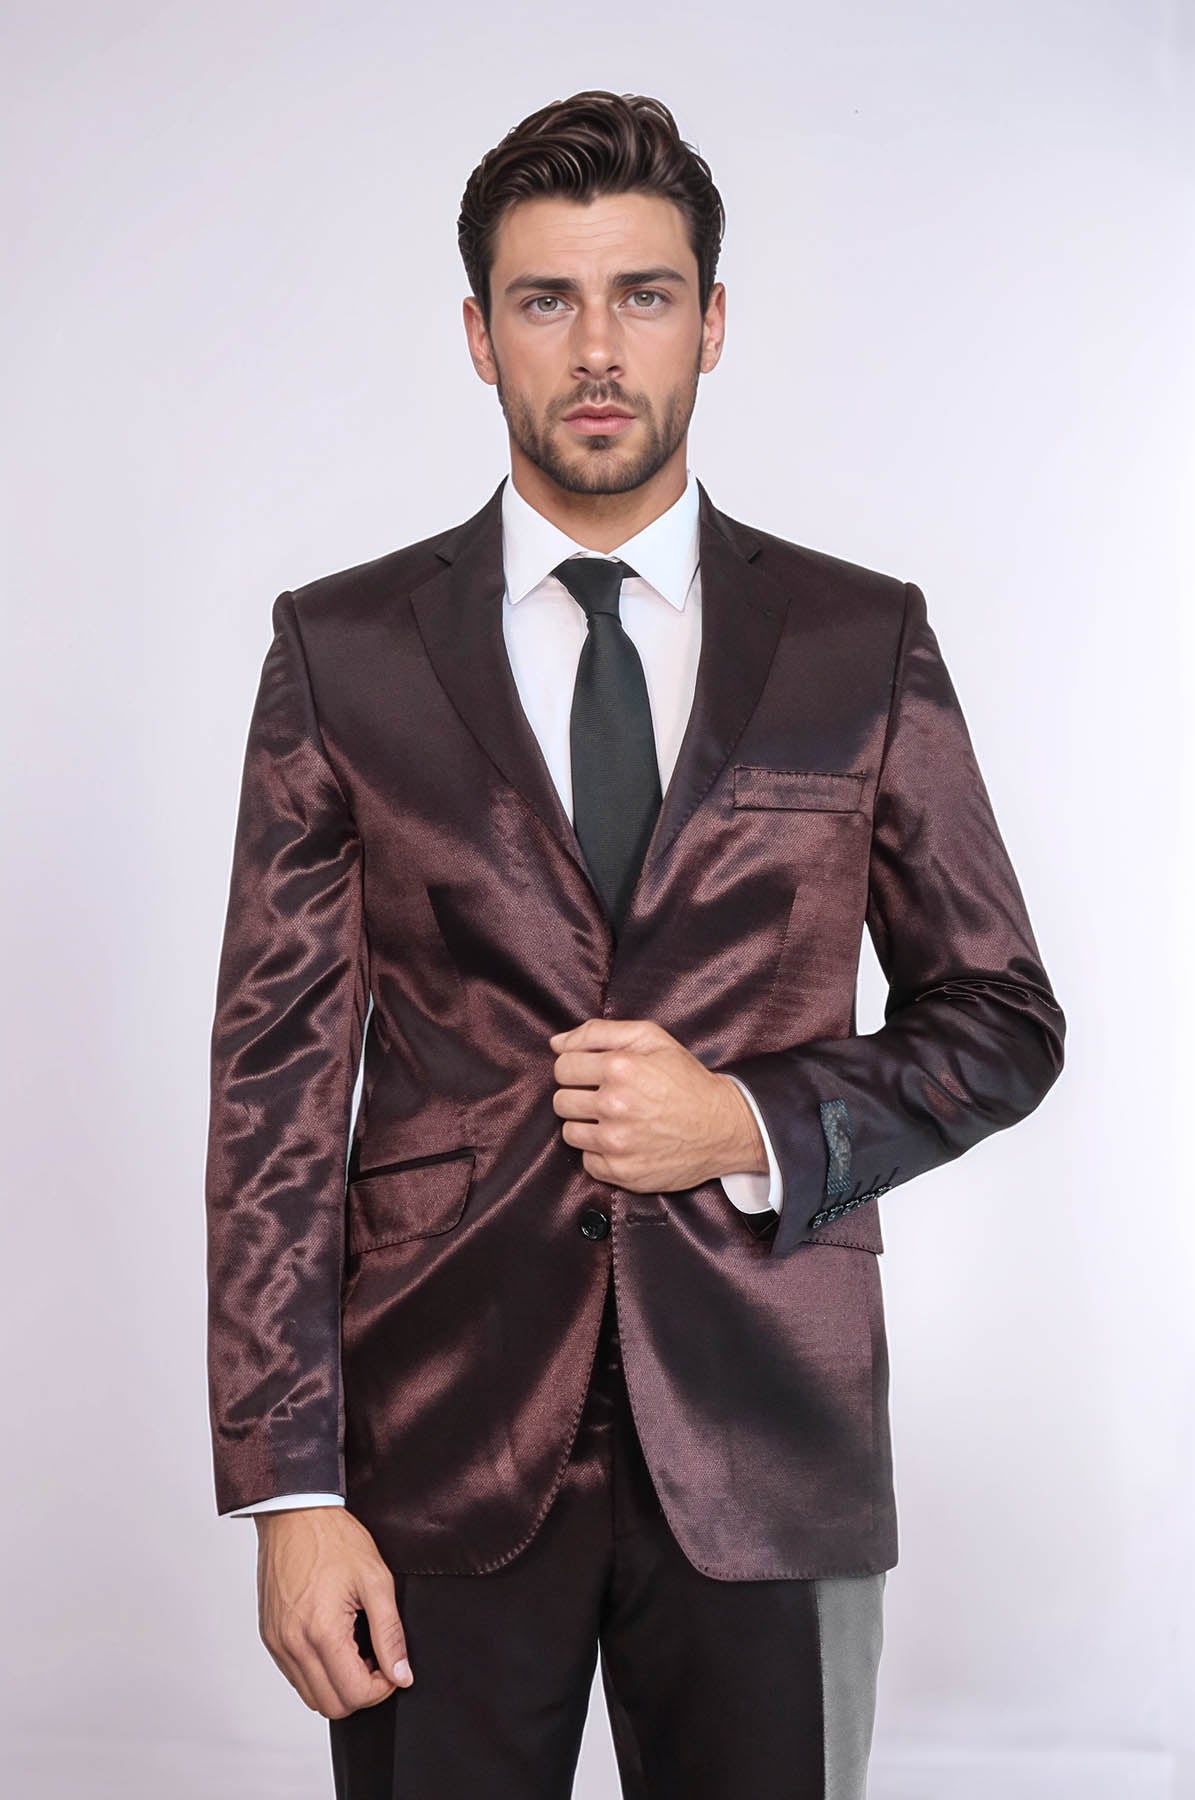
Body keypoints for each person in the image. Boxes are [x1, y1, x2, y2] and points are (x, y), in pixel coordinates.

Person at [204, 88, 1066, 1800]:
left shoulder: (859, 641)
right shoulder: (343, 652)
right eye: (547, 300)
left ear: (712, 321)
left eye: (644, 295)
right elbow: (275, 1097)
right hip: (434, 1448)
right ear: (479, 336)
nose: (598, 350)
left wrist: (744, 1121)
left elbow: (1001, 1016)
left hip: (774, 1436)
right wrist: (291, 1491)